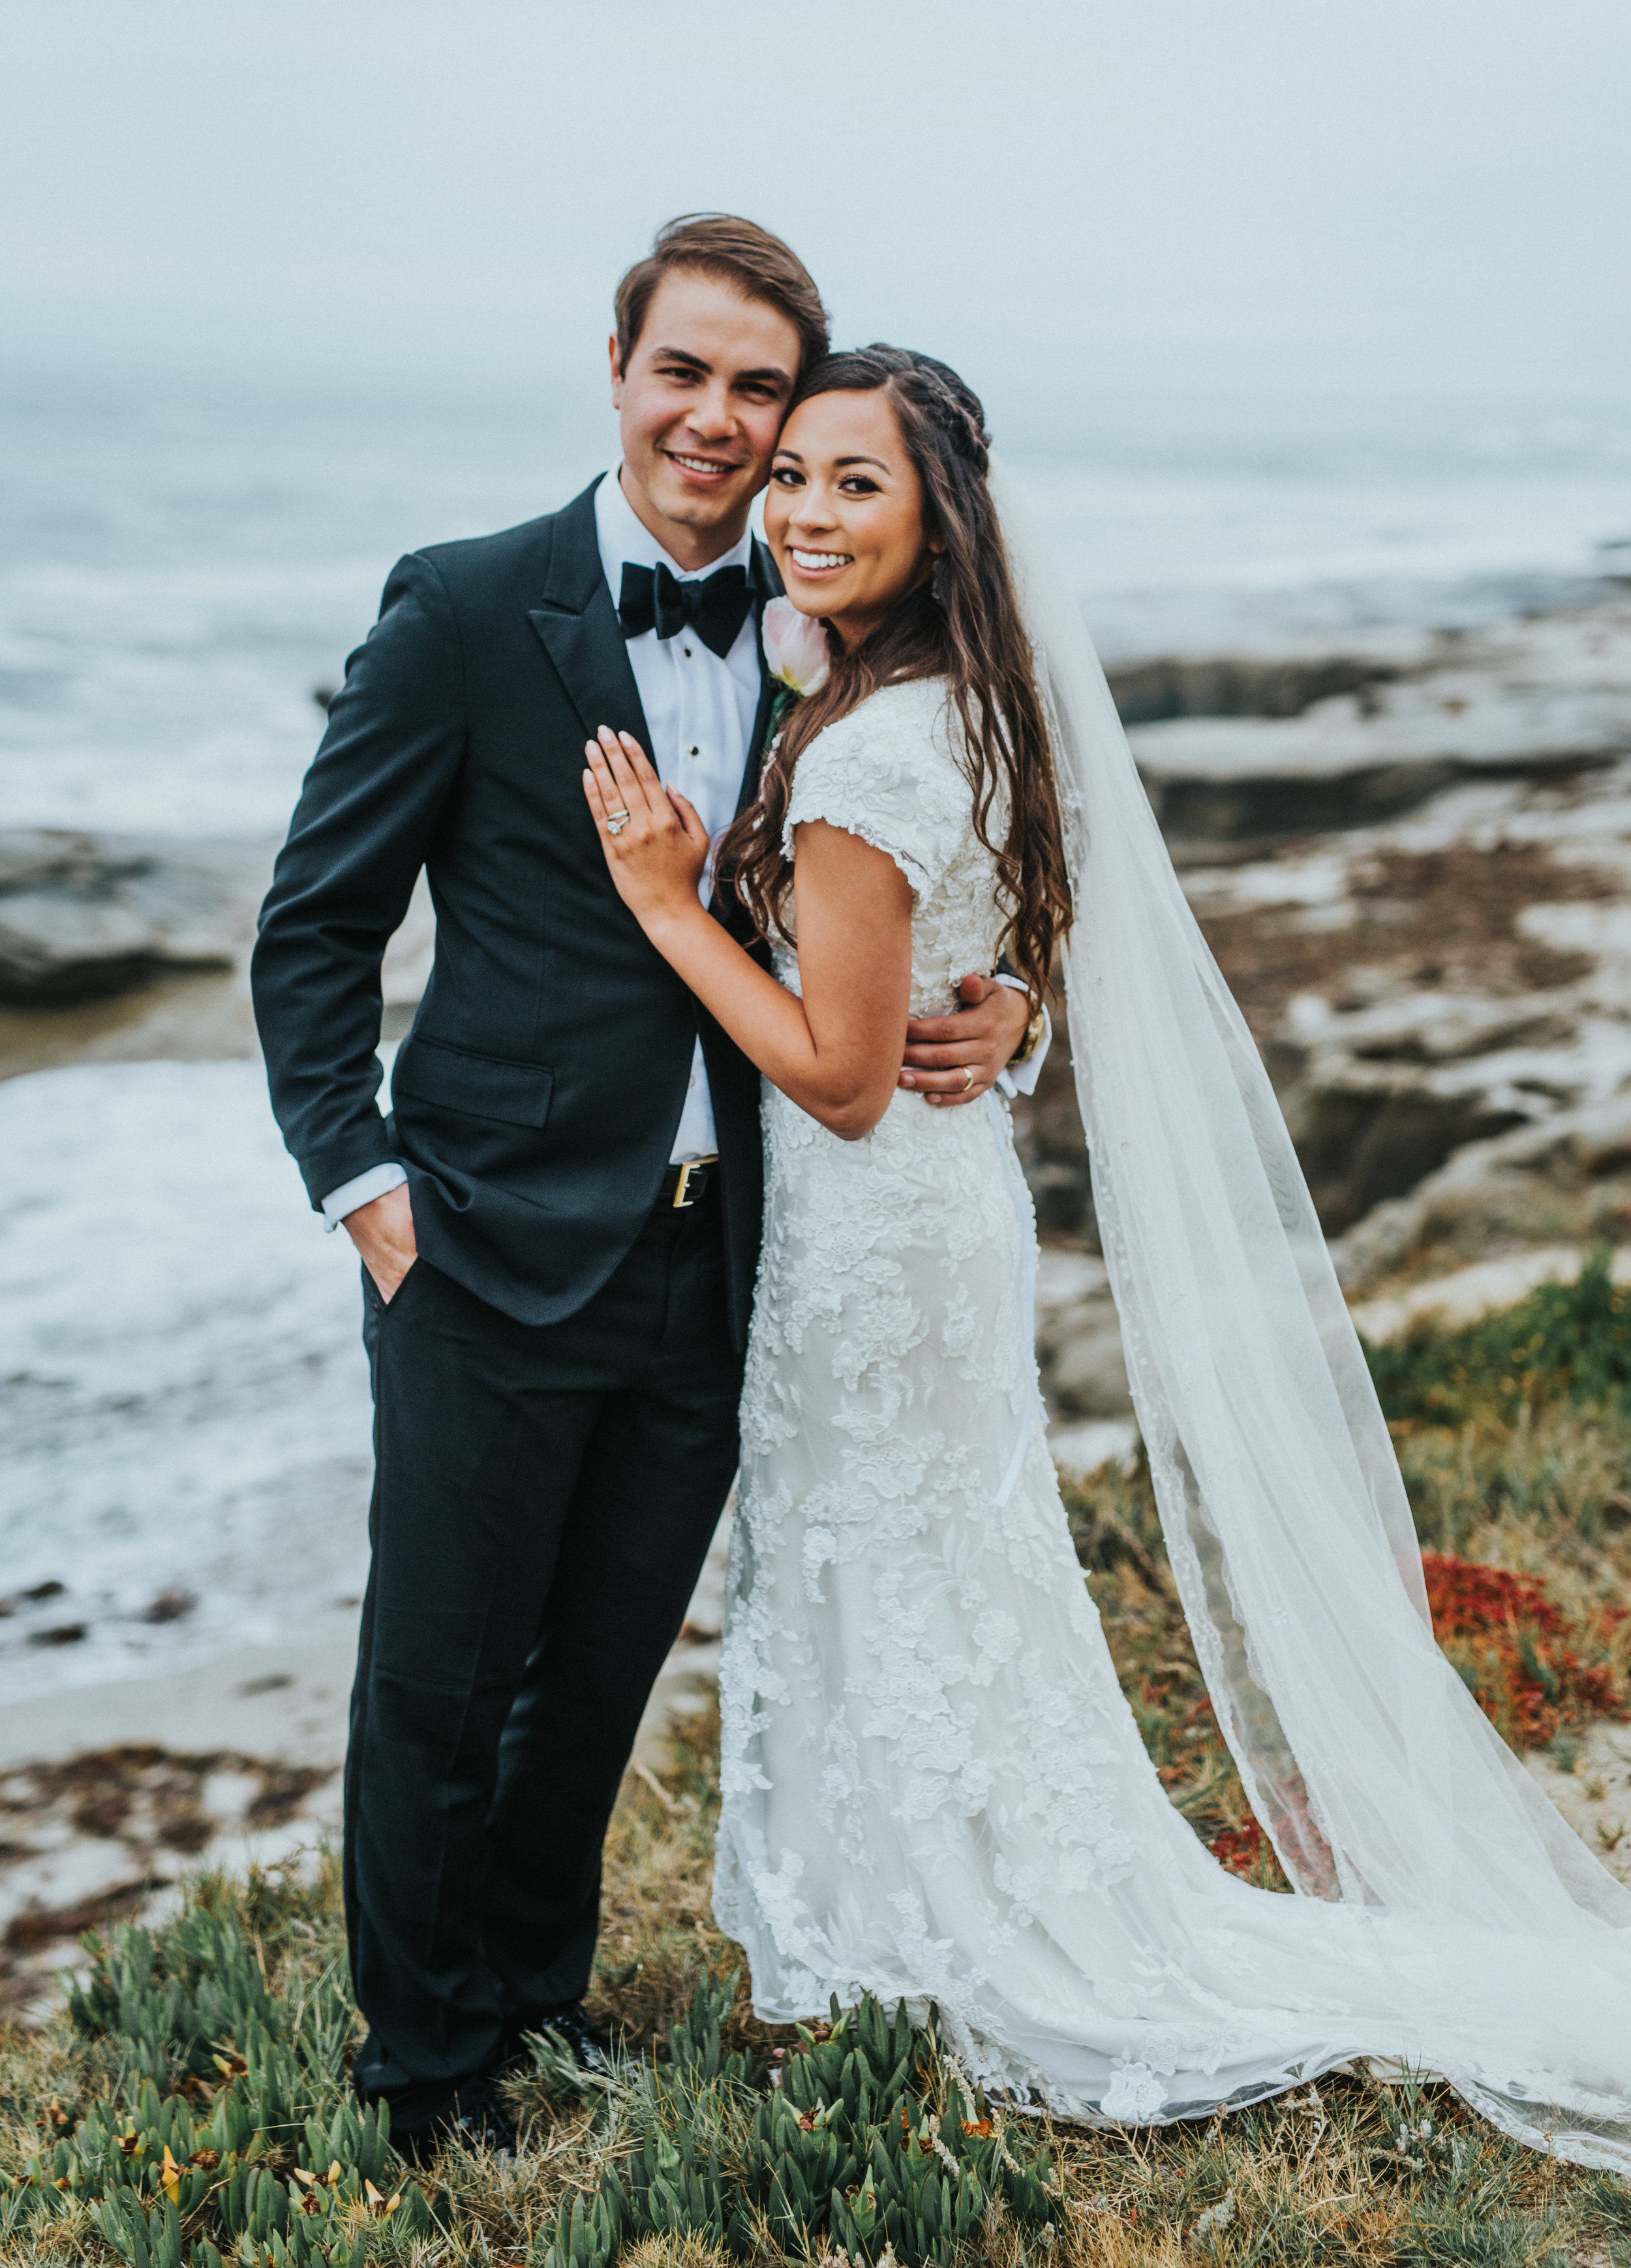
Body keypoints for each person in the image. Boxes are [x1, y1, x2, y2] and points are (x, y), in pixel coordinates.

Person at [585, 343, 1631, 2168]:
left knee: (877, 1562)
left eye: (855, 486)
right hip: (943, 1204)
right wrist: (997, 1010)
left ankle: (921, 1935)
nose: (807, 516)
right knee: (943, 1571)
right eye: (794, 479)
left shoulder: (871, 752)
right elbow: (985, 958)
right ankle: (923, 1911)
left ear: (937, 520)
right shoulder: (964, 703)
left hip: (868, 1221)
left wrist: (673, 907)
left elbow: (832, 1079)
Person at [250, 222, 1041, 2159]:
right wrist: (359, 1181)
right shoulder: (459, 608)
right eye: (681, 372)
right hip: (486, 1245)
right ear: (616, 369)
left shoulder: (827, 637)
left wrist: (1003, 1002)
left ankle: (532, 1994)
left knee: (595, 1675)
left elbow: (944, 865)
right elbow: (314, 927)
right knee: (438, 1680)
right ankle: (423, 2074)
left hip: (729, 1260)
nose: (715, 420)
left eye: (758, 390)